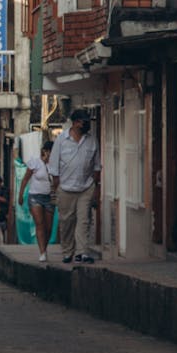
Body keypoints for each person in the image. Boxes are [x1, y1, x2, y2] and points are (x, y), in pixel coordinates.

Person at [48, 108, 101, 264]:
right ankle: (67, 251)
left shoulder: (92, 140)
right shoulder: (61, 140)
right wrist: (57, 188)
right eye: (84, 122)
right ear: (76, 123)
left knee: (84, 220)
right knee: (66, 222)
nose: (86, 125)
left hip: (86, 187)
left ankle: (82, 252)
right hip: (65, 188)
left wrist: (96, 187)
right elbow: (54, 167)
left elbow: (97, 166)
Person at [17, 140, 55, 262]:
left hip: (49, 197)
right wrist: (21, 195)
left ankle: (44, 247)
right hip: (35, 196)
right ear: (45, 151)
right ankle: (42, 252)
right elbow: (25, 179)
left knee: (49, 227)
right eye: (50, 152)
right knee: (40, 223)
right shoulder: (35, 162)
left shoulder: (55, 164)